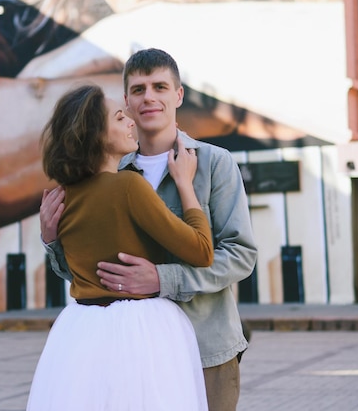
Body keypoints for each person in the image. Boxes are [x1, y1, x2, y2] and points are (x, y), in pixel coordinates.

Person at [40, 48, 258, 411]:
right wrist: (52, 241)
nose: (149, 97)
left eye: (160, 86)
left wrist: (163, 279)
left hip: (206, 349)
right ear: (126, 100)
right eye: (138, 89)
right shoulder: (103, 174)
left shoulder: (214, 163)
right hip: (126, 357)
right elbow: (82, 273)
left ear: (178, 95)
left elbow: (240, 255)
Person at [27, 84, 213, 410]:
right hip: (141, 332)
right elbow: (201, 251)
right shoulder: (128, 186)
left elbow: (74, 270)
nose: (131, 122)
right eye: (119, 117)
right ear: (96, 134)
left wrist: (50, 240)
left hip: (79, 335)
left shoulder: (63, 197)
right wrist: (185, 184)